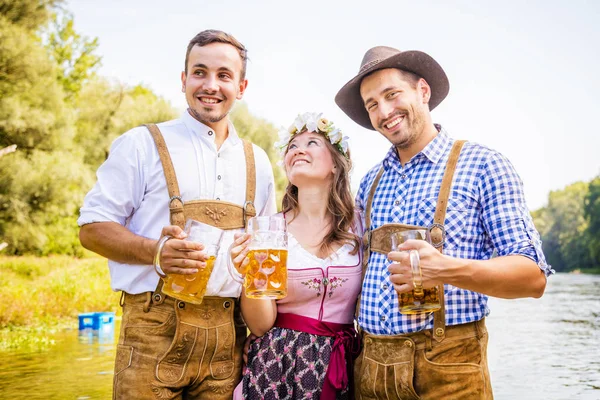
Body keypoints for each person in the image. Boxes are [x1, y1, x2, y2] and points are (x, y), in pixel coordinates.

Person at [334, 46, 553, 399]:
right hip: (369, 368)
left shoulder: (483, 165)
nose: (384, 111)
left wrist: (444, 269)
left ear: (423, 91)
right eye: (372, 104)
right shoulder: (370, 180)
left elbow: (532, 278)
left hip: (448, 371)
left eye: (392, 95)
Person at [77, 29, 276, 399]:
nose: (210, 85)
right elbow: (90, 229)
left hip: (229, 340)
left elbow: (262, 263)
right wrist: (155, 252)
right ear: (184, 80)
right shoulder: (142, 143)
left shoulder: (258, 162)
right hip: (153, 332)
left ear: (242, 86)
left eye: (224, 75)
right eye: (199, 72)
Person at [230, 112, 362, 400]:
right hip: (277, 365)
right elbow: (261, 324)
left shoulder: (362, 227)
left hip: (344, 364)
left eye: (313, 142)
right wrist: (250, 276)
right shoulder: (268, 231)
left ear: (336, 167)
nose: (298, 149)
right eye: (292, 146)